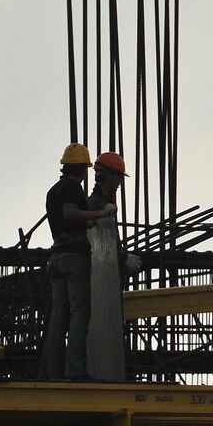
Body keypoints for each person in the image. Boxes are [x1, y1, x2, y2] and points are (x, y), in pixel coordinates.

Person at [42, 143, 116, 380]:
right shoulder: (73, 188)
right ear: (83, 170)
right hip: (74, 259)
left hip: (56, 257)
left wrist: (88, 222)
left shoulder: (52, 190)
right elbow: (69, 213)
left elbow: (66, 220)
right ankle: (74, 370)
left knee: (58, 317)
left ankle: (53, 371)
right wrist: (100, 214)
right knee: (79, 316)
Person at [84, 151, 141, 381]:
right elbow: (101, 249)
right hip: (100, 289)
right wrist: (122, 258)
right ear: (106, 176)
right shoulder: (97, 206)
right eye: (118, 177)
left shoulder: (103, 203)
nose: (119, 183)